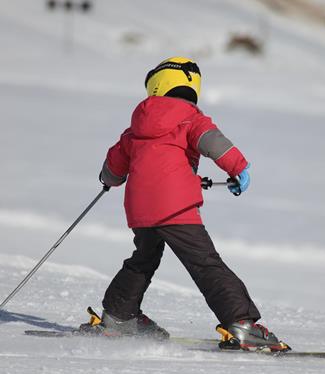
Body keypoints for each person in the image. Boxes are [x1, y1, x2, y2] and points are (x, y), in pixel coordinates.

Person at [82, 57, 289, 352]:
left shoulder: (136, 126)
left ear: (157, 85)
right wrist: (238, 167)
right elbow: (212, 141)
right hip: (176, 209)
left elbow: (114, 169)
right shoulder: (191, 117)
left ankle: (118, 317)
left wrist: (107, 178)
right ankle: (242, 324)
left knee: (143, 259)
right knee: (205, 263)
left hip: (140, 211)